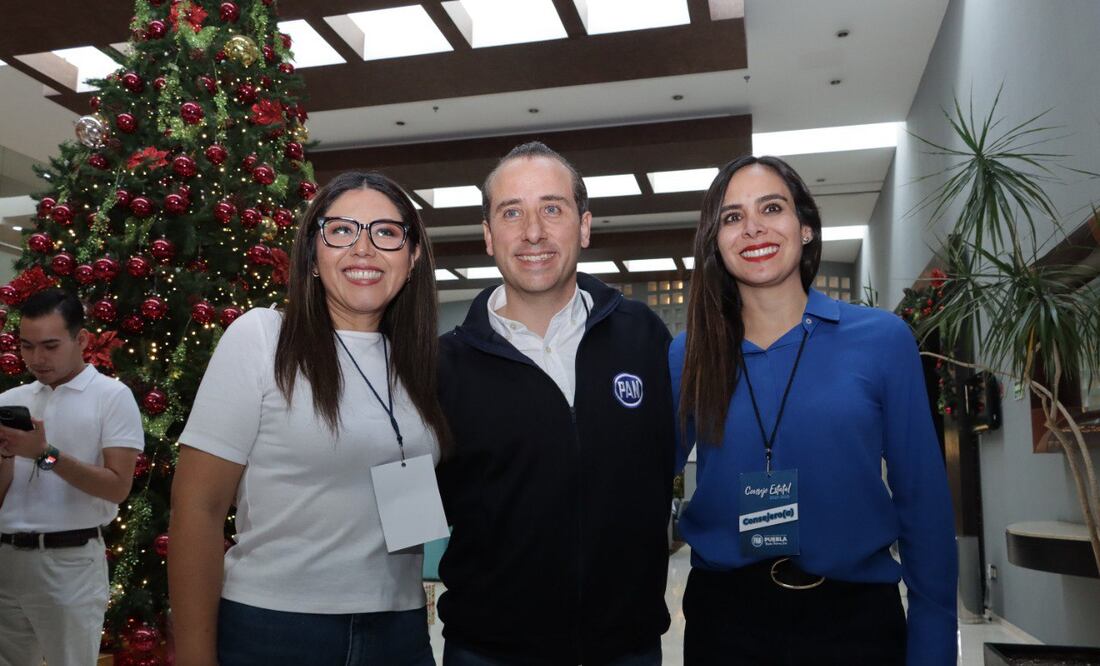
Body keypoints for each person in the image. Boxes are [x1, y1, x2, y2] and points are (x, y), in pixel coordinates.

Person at [669, 155, 958, 665]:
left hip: (853, 623)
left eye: (772, 208)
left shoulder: (882, 341)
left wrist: (934, 645)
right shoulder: (690, 353)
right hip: (725, 623)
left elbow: (924, 504)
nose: (752, 227)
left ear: (804, 227)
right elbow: (639, 486)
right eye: (732, 217)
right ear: (715, 241)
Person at [168, 171, 449, 666]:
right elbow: (198, 509)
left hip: (399, 629)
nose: (364, 248)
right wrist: (194, 655)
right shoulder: (262, 338)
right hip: (275, 629)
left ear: (413, 256)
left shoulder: (419, 363)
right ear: (312, 255)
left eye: (386, 232)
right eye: (341, 230)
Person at [436, 141, 675, 666]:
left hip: (626, 647)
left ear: (584, 226)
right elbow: (418, 504)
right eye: (511, 212)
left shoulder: (643, 337)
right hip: (488, 651)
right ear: (488, 236)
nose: (533, 232)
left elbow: (667, 456)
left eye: (552, 208)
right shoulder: (442, 365)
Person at [0, 288, 145, 666]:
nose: (36, 358)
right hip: (5, 558)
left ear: (81, 339)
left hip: (68, 562)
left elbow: (118, 487)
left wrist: (45, 455)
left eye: (50, 345)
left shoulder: (111, 397)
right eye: (26, 346)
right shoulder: (10, 399)